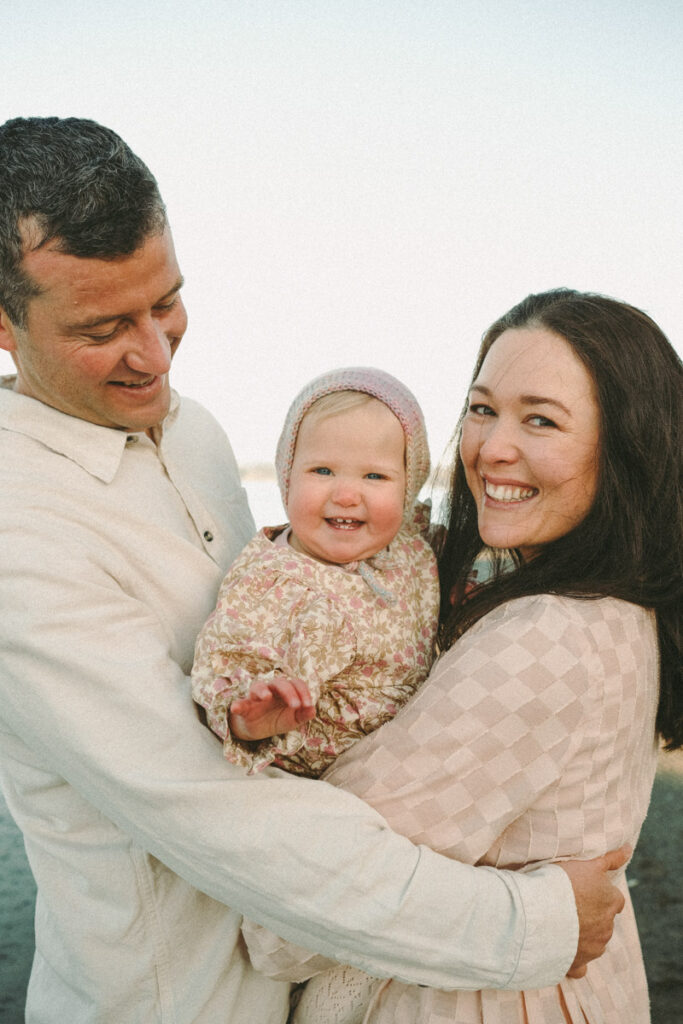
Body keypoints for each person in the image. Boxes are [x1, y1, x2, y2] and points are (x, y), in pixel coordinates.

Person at [0, 116, 628, 1024]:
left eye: (166, 301)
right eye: (104, 327)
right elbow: (212, 806)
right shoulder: (18, 532)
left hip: (323, 981)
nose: (156, 353)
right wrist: (529, 923)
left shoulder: (196, 429)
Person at [243, 289, 682, 1024]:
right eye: (481, 409)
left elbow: (293, 916)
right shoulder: (610, 596)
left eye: (539, 419)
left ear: (626, 446)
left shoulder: (548, 634)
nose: (490, 448)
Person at [192, 366, 439, 778]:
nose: (345, 495)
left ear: (407, 489)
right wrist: (250, 719)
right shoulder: (273, 583)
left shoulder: (406, 542)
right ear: (287, 477)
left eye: (374, 476)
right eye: (322, 471)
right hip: (328, 773)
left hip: (413, 737)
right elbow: (226, 665)